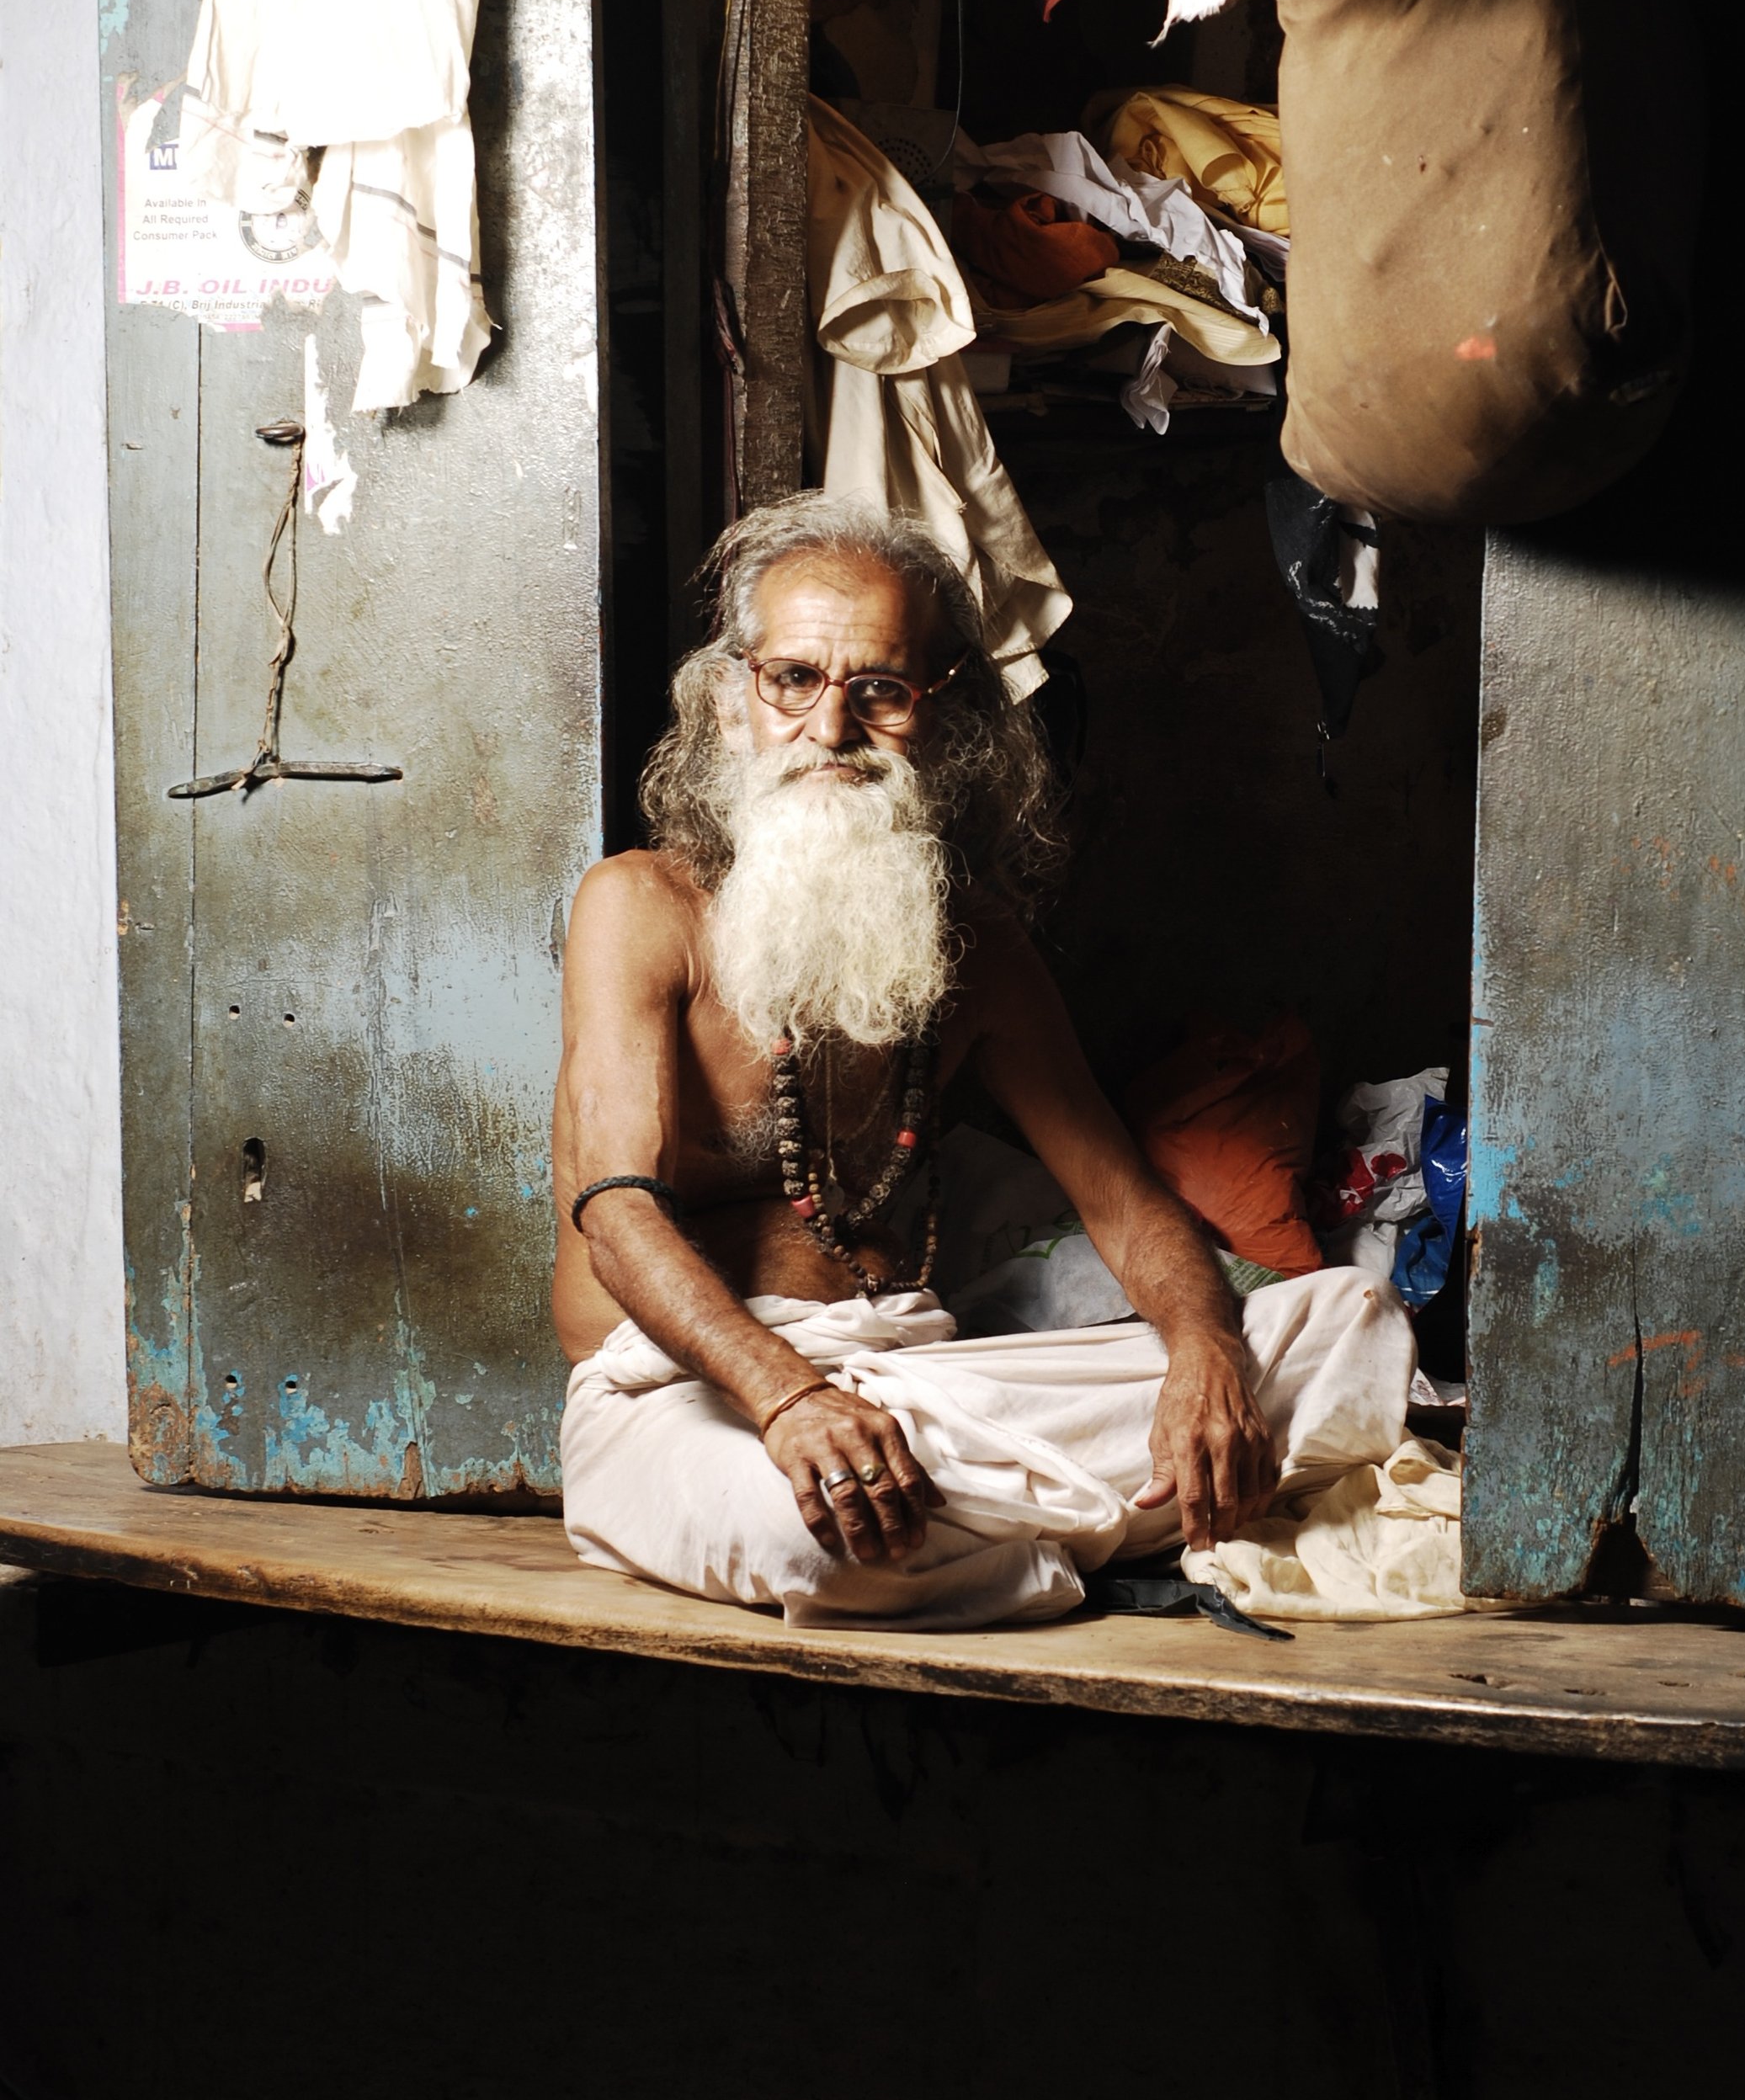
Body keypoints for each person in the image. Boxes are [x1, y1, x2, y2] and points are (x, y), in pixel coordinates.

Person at [555, 493, 1417, 1629]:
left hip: (923, 1389)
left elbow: (1128, 1211)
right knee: (810, 1546)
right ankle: (1069, 1546)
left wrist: (1203, 1352)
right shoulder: (640, 905)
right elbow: (615, 1212)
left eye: (881, 691)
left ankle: (995, 1536)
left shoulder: (978, 947)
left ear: (940, 712)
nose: (832, 728)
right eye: (793, 680)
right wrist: (789, 1397)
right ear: (729, 700)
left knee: (1348, 1333)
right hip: (699, 1400)